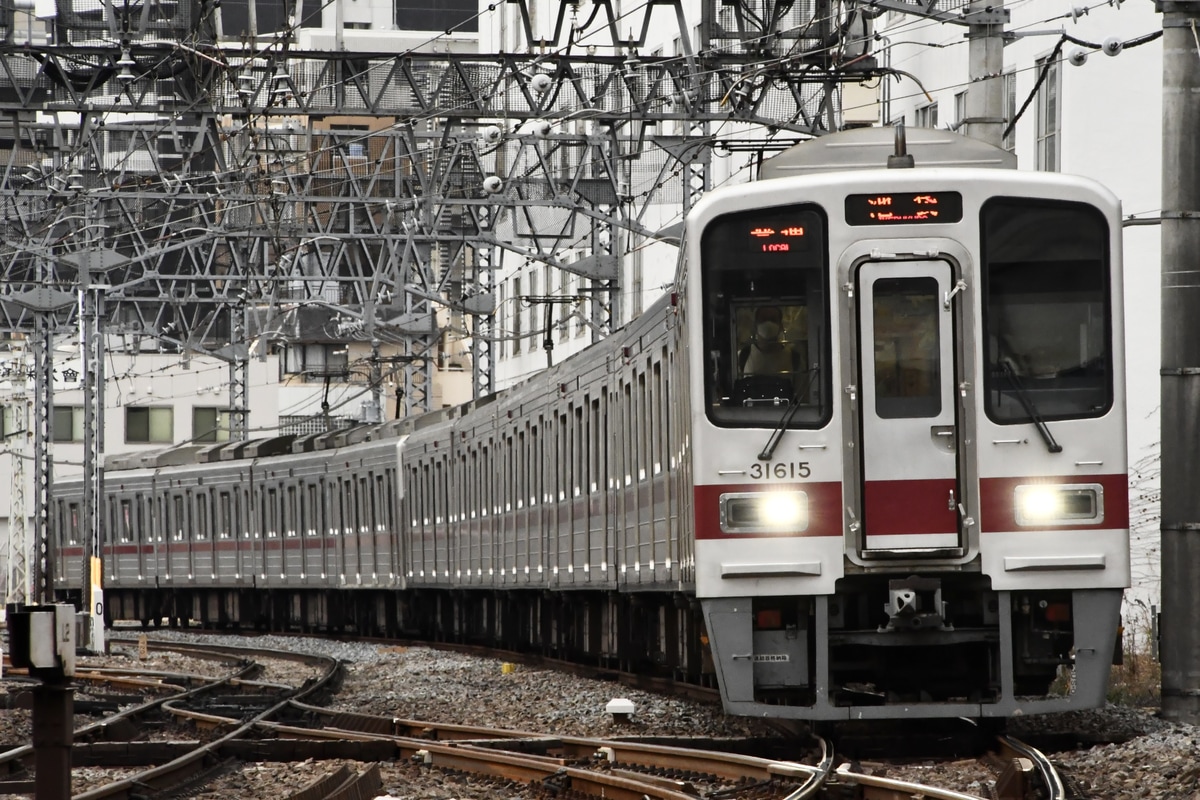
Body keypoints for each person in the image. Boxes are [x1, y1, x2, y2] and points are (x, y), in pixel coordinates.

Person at [739, 306, 799, 376]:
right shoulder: (742, 356)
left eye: (773, 320)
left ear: (781, 326)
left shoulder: (794, 358)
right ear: (755, 326)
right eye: (763, 319)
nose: (768, 324)